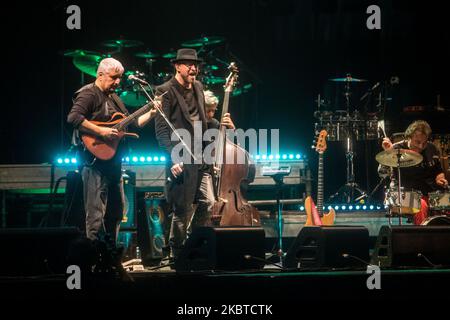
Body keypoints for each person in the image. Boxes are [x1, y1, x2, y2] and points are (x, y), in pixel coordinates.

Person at [155, 49, 235, 260]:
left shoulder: (198, 87)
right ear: (177, 66)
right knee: (182, 209)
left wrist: (221, 126)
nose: (193, 68)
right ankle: (176, 251)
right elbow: (162, 131)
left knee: (208, 203)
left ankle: (194, 245)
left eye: (196, 65)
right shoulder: (165, 90)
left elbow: (202, 120)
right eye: (189, 64)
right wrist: (171, 157)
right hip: (181, 156)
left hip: (202, 156)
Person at [67, 57, 157, 244]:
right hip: (94, 163)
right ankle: (93, 258)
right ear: (100, 75)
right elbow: (73, 118)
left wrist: (151, 112)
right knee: (95, 215)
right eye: (114, 77)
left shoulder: (114, 97)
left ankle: (110, 255)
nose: (118, 82)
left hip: (114, 163)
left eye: (120, 78)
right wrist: (101, 131)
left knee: (117, 211)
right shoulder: (89, 94)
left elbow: (134, 123)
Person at [380, 120, 448, 224]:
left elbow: (438, 170)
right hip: (405, 195)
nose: (421, 146)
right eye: (417, 142)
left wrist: (440, 178)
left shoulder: (431, 148)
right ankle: (421, 238)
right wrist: (388, 152)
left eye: (424, 142)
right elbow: (382, 172)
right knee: (421, 206)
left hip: (430, 193)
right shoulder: (397, 149)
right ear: (409, 137)